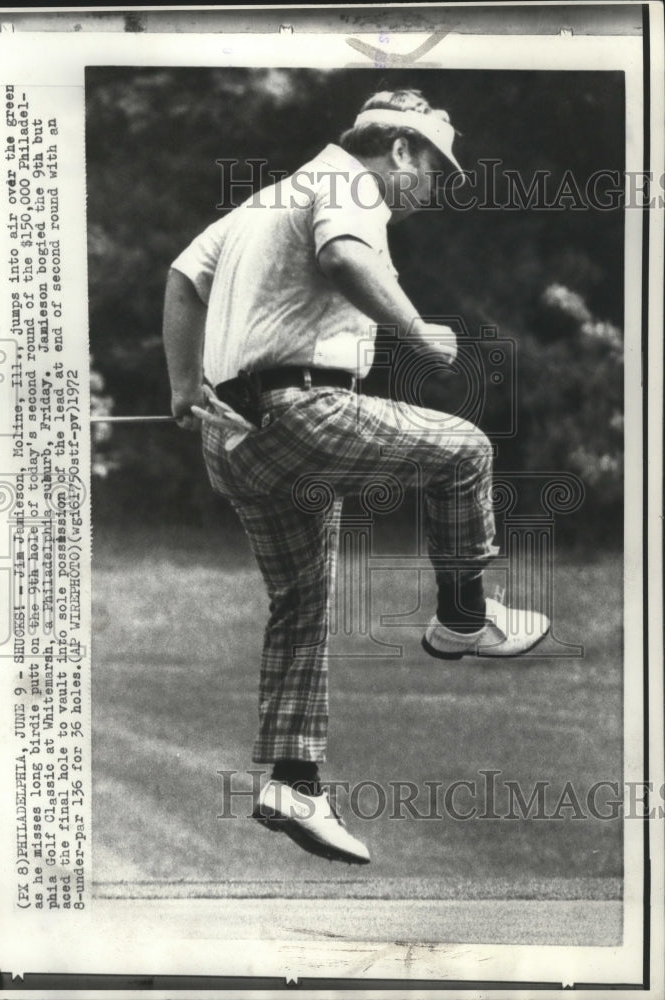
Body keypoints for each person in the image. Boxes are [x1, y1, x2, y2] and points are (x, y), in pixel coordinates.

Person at [162, 89, 550, 866]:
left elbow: (181, 279)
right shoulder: (350, 185)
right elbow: (343, 258)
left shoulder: (268, 198)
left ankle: (293, 782)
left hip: (231, 442)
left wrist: (180, 386)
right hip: (299, 413)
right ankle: (463, 620)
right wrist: (418, 334)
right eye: (433, 169)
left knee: (301, 601)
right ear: (399, 150)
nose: (434, 188)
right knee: (466, 449)